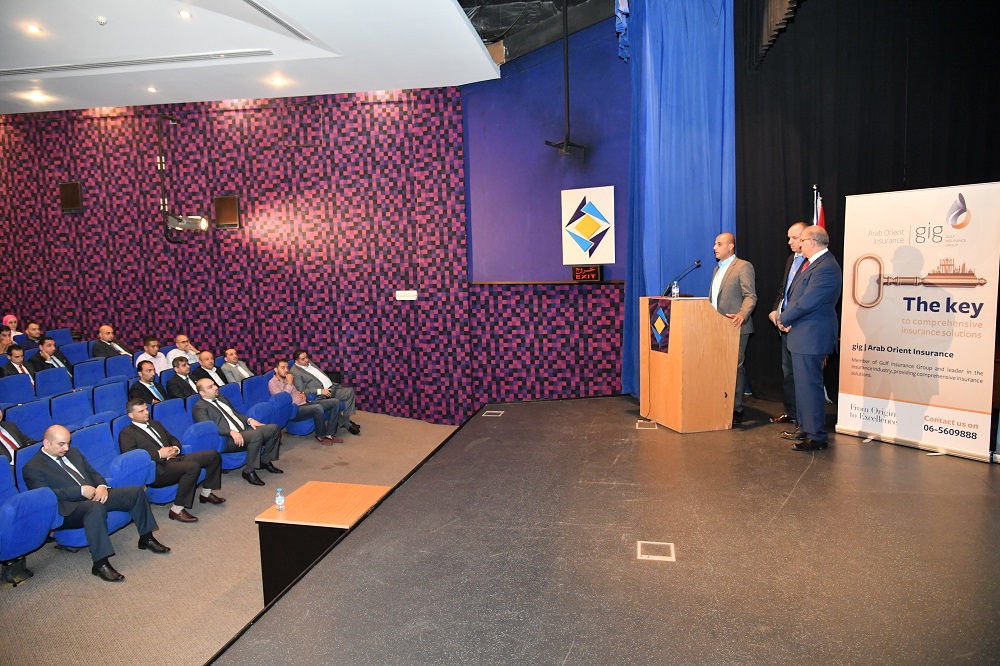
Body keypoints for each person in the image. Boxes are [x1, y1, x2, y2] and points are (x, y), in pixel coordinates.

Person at [22, 424, 170, 582]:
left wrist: (101, 487)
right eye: (61, 444)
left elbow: (93, 473)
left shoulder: (74, 452)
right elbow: (47, 496)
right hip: (68, 510)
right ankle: (100, 563)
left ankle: (146, 538)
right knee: (94, 508)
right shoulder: (32, 467)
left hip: (93, 496)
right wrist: (80, 491)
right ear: (46, 443)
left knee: (135, 492)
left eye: (68, 443)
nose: (66, 448)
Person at [775, 225, 842, 451]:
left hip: (813, 335)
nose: (797, 244)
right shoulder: (812, 264)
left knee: (810, 386)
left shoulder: (827, 267)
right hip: (802, 333)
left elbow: (808, 301)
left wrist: (784, 317)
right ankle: (805, 427)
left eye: (801, 240)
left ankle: (817, 436)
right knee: (802, 386)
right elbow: (796, 295)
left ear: (812, 242)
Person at [118, 399, 225, 523]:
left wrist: (175, 448)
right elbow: (133, 459)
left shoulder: (155, 423)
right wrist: (159, 454)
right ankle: (176, 509)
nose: (146, 412)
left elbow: (173, 438)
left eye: (146, 409)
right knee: (192, 467)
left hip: (175, 459)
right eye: (141, 411)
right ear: (131, 415)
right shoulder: (127, 433)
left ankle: (206, 493)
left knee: (213, 455)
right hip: (157, 470)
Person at [193, 378, 281, 485]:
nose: (215, 387)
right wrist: (229, 432)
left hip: (244, 431)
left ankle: (265, 461)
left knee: (273, 429)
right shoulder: (199, 407)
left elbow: (236, 414)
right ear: (202, 393)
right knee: (256, 435)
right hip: (227, 439)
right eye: (210, 387)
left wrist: (249, 420)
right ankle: (248, 471)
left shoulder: (221, 398)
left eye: (214, 384)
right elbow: (208, 428)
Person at [710, 233, 757, 425]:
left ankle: (735, 408)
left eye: (719, 244)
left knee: (734, 367)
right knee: (717, 367)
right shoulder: (716, 269)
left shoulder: (743, 266)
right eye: (715, 244)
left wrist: (742, 314)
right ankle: (718, 402)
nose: (714, 247)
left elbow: (750, 296)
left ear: (730, 247)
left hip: (735, 326)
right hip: (715, 326)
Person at [768, 222, 808, 425]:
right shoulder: (791, 260)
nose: (789, 242)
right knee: (788, 372)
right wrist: (776, 310)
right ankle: (791, 411)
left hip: (800, 325)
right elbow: (784, 289)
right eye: (789, 238)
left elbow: (806, 298)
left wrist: (790, 318)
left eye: (794, 238)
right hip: (784, 324)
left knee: (803, 374)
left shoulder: (812, 263)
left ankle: (805, 417)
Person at [269, 358, 343, 444]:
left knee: (335, 402)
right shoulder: (272, 383)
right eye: (283, 367)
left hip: (305, 403)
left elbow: (295, 391)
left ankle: (330, 434)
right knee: (318, 408)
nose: (286, 370)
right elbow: (282, 399)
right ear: (276, 369)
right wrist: (289, 383)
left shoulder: (287, 378)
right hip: (294, 410)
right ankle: (320, 436)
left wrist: (302, 393)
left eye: (287, 367)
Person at [290, 350, 361, 436]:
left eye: (306, 357)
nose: (306, 360)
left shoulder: (308, 362)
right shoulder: (295, 372)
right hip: (321, 394)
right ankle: (348, 425)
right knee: (333, 403)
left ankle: (346, 421)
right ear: (296, 361)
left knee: (349, 392)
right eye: (303, 359)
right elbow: (301, 390)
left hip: (332, 387)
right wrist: (320, 391)